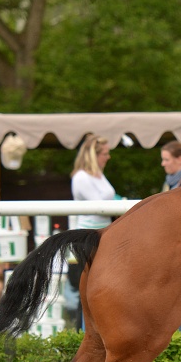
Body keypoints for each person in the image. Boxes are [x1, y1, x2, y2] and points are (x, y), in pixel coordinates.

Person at [66, 133, 115, 329]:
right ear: (94, 155)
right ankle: (80, 333)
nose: (108, 157)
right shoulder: (81, 177)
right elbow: (101, 205)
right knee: (85, 292)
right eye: (105, 153)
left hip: (103, 234)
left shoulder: (99, 175)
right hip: (86, 237)